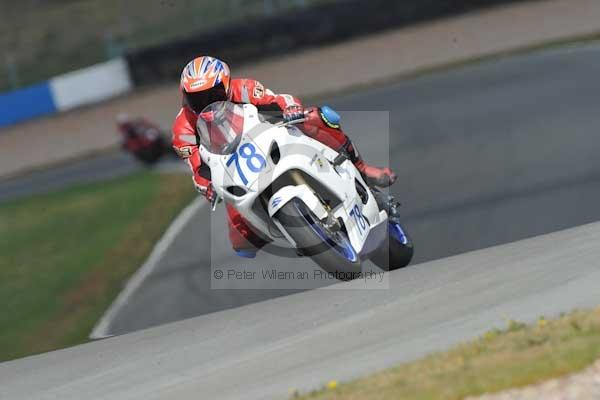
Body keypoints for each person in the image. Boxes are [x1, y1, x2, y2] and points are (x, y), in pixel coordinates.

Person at [172, 56, 396, 256]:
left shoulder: (243, 89)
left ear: (227, 85)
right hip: (237, 169)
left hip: (272, 137)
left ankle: (362, 168)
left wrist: (290, 108)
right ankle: (293, 229)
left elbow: (281, 99)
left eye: (214, 94)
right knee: (241, 242)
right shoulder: (183, 128)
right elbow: (197, 167)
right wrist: (207, 186)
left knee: (317, 117)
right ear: (186, 98)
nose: (208, 103)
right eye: (198, 99)